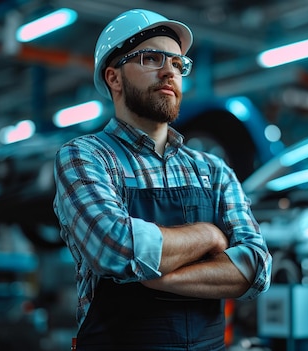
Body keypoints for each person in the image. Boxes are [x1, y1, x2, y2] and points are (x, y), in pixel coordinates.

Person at [53, 8, 272, 351]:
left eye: (177, 63)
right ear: (114, 78)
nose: (169, 70)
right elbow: (116, 249)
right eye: (151, 58)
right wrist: (209, 235)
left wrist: (157, 275)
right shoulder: (85, 157)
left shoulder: (213, 170)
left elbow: (255, 268)